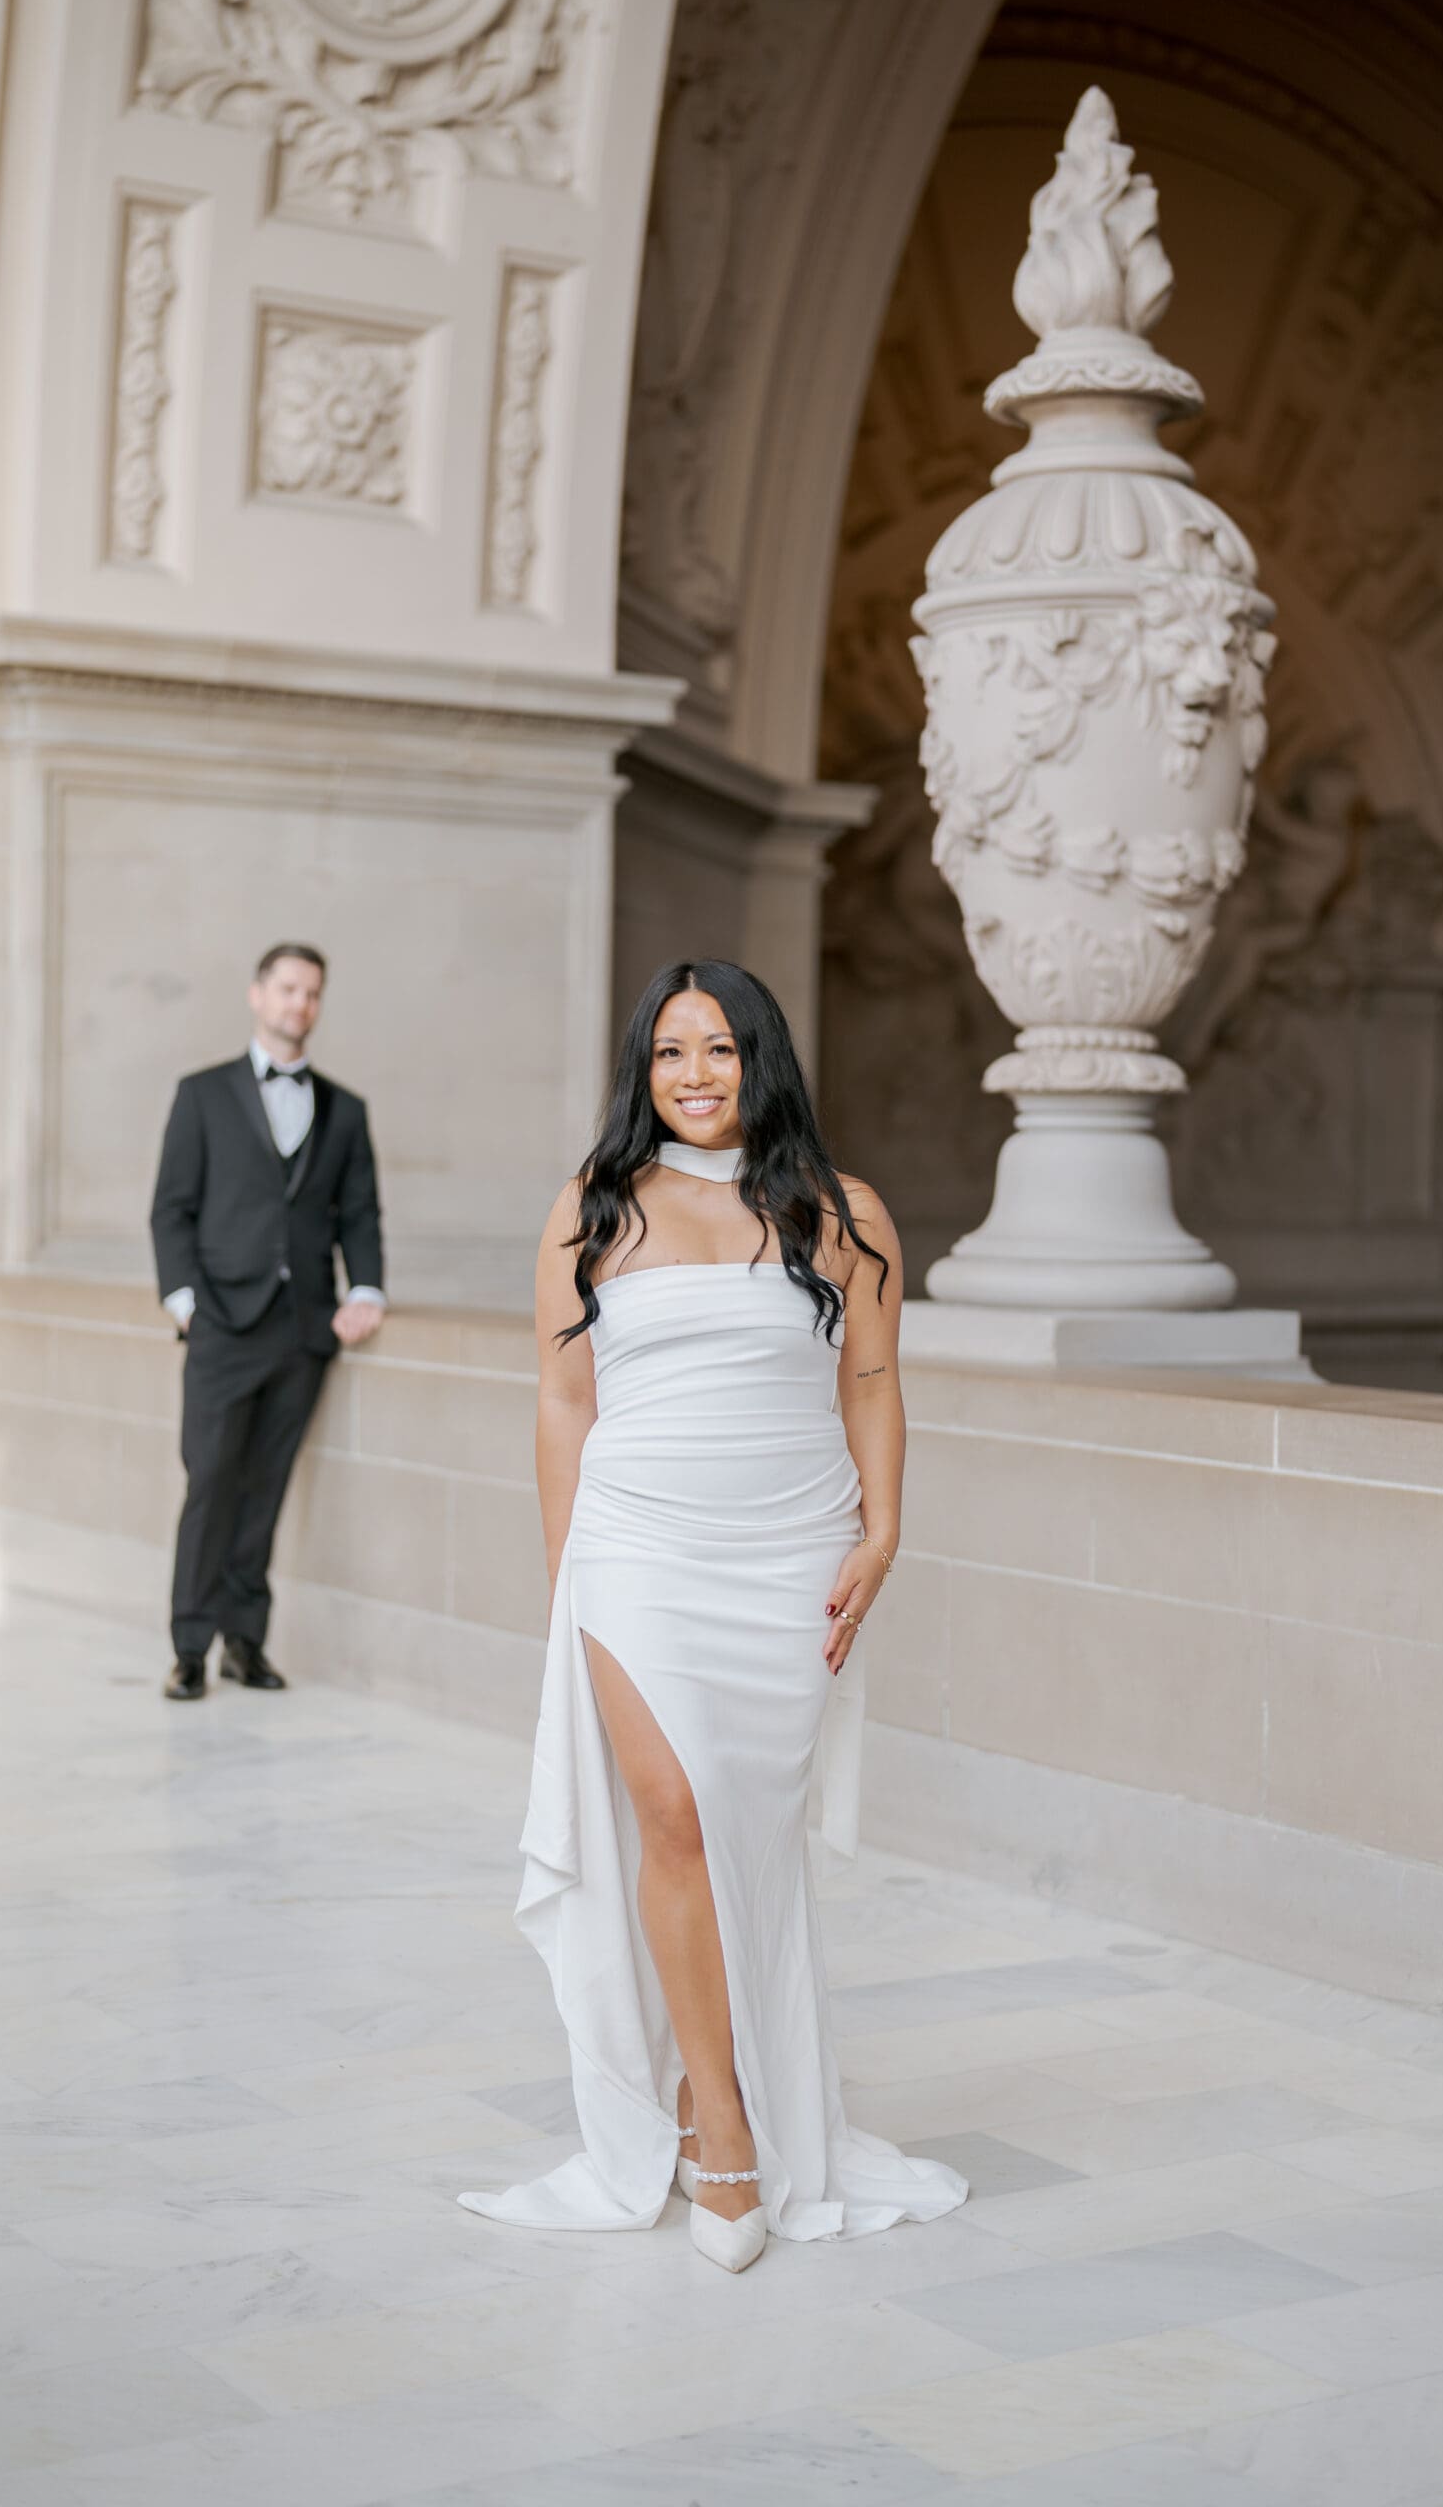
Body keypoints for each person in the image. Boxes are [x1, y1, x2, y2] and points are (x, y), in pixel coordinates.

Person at [458, 959, 966, 2273]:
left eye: (720, 1048)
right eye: (669, 1051)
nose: (693, 1073)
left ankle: (713, 2084)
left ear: (762, 1061)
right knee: (669, 1813)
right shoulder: (594, 1206)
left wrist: (885, 1531)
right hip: (632, 1554)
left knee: (747, 1834)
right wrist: (569, 1573)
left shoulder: (839, 1212)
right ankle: (723, 2126)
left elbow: (873, 1386)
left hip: (788, 1557)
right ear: (641, 1068)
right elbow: (561, 1403)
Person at [150, 943, 386, 1702]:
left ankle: (245, 1643)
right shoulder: (202, 1094)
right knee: (211, 1481)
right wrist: (185, 1305)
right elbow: (171, 1210)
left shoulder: (346, 1110)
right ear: (258, 995)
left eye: (312, 993)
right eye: (287, 989)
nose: (299, 1005)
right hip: (220, 1322)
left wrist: (369, 1290)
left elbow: (358, 1212)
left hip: (304, 1328)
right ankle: (190, 1645)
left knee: (268, 1487)